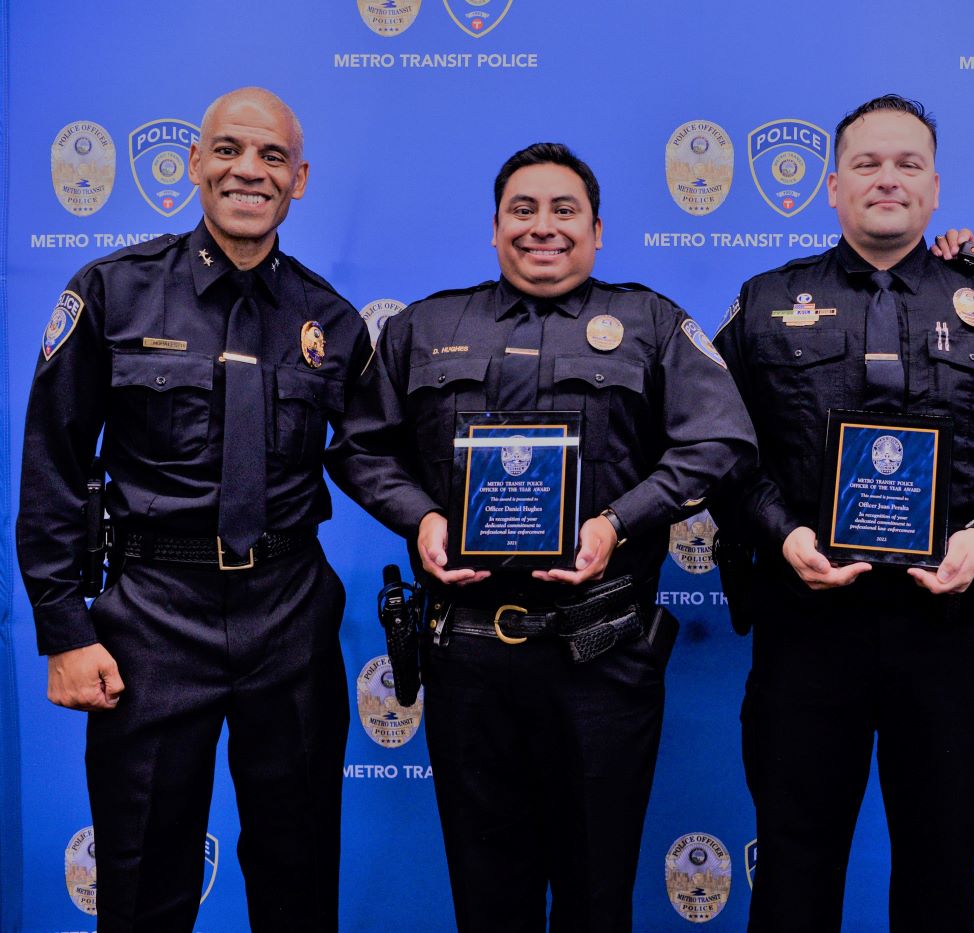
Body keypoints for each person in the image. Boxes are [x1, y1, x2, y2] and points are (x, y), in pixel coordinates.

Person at [326, 142, 756, 932]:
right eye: (522, 210)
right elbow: (358, 445)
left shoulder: (650, 323)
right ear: (494, 228)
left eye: (564, 210)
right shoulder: (426, 326)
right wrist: (421, 518)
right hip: (468, 659)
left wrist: (615, 522)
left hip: (601, 655)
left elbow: (720, 442)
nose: (542, 227)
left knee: (596, 896)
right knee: (490, 900)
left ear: (597, 230)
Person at [712, 95, 974, 931]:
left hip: (948, 630)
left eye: (907, 164)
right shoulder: (767, 301)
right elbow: (717, 444)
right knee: (794, 860)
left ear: (935, 187)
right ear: (833, 185)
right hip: (807, 627)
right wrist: (784, 533)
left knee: (939, 863)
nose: (888, 178)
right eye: (868, 163)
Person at [16, 87, 367, 931]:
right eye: (229, 150)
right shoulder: (111, 292)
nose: (250, 169)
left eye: (273, 156)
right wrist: (64, 627)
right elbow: (53, 464)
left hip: (289, 614)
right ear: (195, 165)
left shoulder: (333, 320)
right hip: (151, 616)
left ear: (301, 179)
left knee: (301, 860)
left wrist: (445, 521)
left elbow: (373, 459)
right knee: (141, 872)